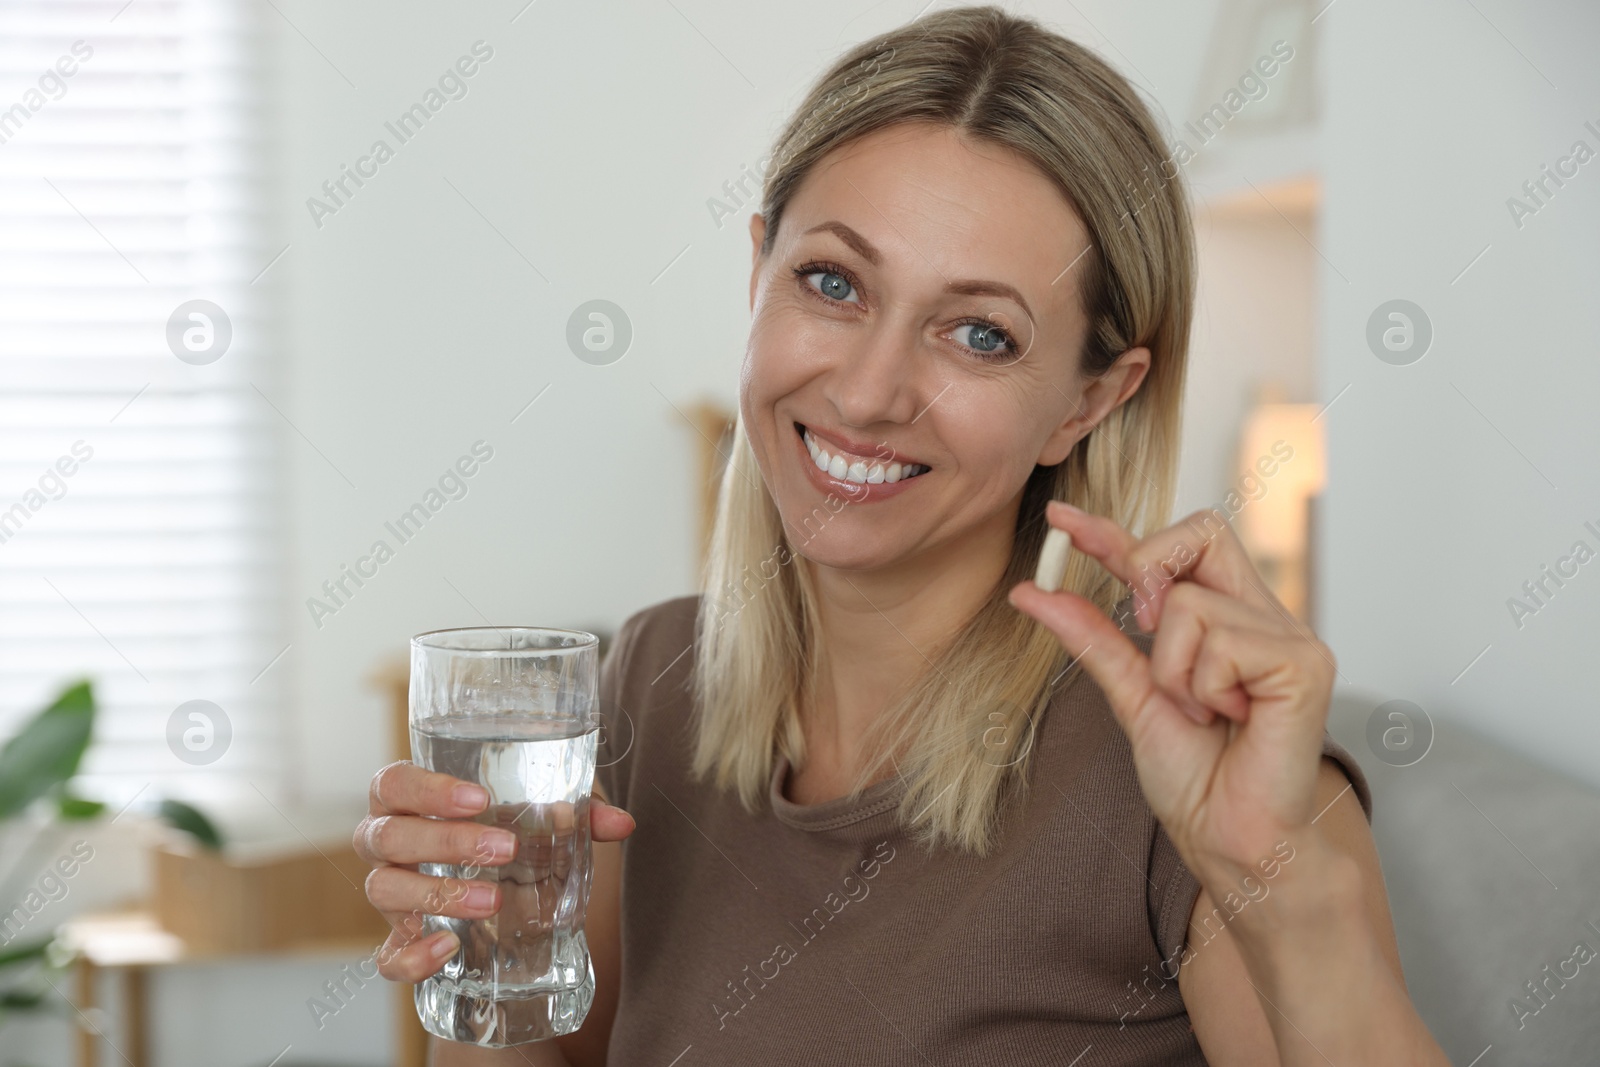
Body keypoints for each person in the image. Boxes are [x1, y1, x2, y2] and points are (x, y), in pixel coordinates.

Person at [353, 7, 1448, 1064]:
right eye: (831, 283)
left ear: (1089, 400)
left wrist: (1284, 883)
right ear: (756, 273)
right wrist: (474, 952)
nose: (871, 392)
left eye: (978, 333)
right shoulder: (652, 677)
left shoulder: (1188, 756)